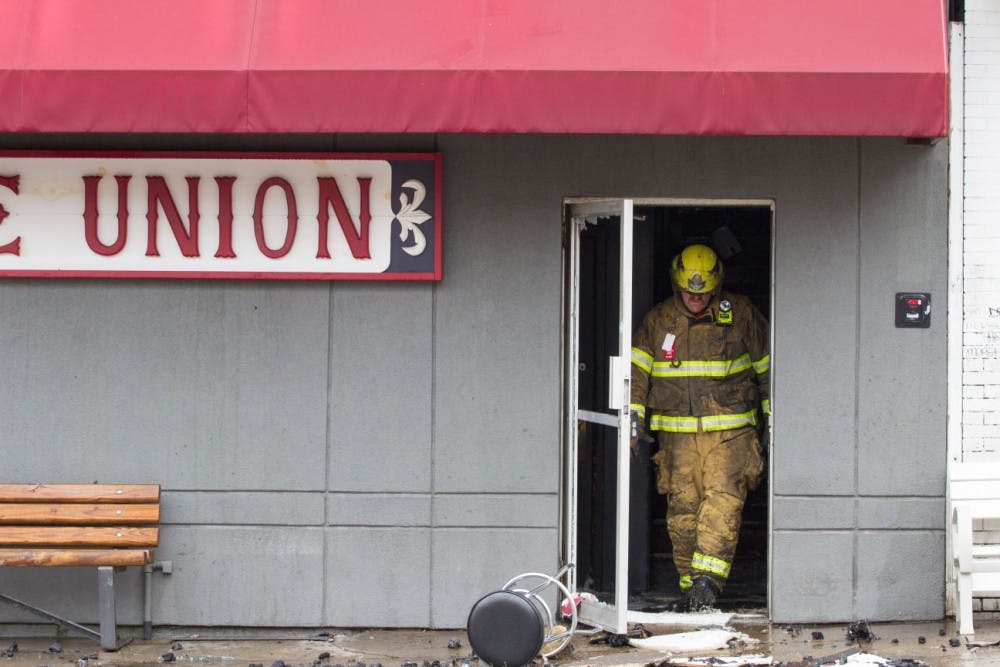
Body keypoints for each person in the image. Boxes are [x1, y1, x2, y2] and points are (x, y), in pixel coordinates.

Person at [629, 243, 770, 611]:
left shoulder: (740, 314)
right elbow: (635, 372)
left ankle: (707, 584)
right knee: (683, 512)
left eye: (703, 292)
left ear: (716, 285)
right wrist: (632, 419)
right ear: (677, 284)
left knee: (721, 504)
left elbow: (768, 367)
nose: (696, 299)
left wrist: (772, 419)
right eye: (690, 292)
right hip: (677, 438)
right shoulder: (658, 321)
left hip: (732, 433)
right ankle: (690, 589)